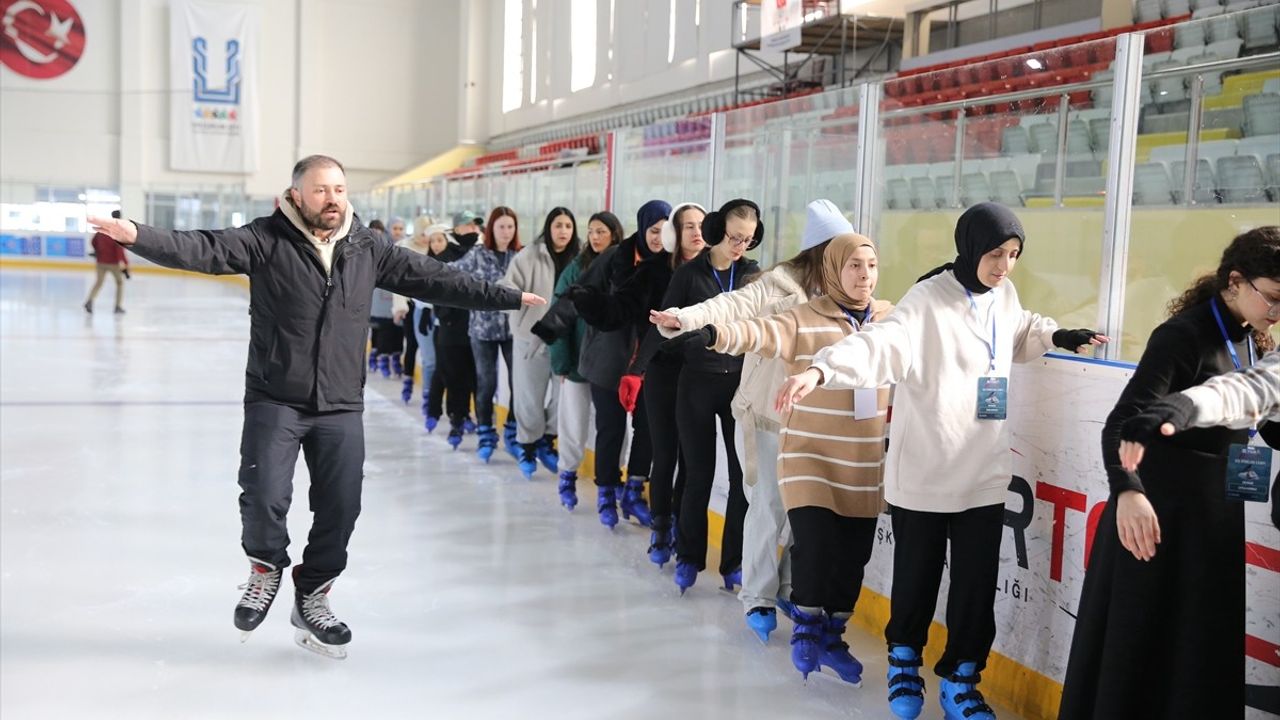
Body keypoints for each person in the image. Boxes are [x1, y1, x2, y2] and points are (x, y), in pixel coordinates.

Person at [86, 155, 544, 659]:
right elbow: (201, 248)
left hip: (341, 402)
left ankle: (313, 594)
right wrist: (135, 234)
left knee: (342, 506)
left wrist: (503, 298)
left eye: (340, 189)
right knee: (263, 493)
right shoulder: (265, 238)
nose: (332, 199)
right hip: (275, 394)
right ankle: (265, 569)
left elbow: (435, 278)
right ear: (297, 194)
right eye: (321, 190)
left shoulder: (368, 247)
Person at [775, 202, 1106, 720]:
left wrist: (1057, 336)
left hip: (984, 472)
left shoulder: (1004, 295)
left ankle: (960, 678)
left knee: (976, 589)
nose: (1003, 265)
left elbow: (1019, 330)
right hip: (924, 472)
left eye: (1014, 254)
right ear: (970, 246)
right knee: (916, 580)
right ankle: (904, 661)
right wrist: (820, 371)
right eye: (996, 253)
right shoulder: (925, 300)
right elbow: (879, 345)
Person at [1059, 226, 1280, 719]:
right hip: (1157, 517)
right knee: (1143, 649)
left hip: (1214, 517)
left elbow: (1255, 414)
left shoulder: (1253, 340)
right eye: (1272, 298)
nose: (1276, 312)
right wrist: (1128, 493)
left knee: (1197, 654)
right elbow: (1122, 422)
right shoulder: (1183, 336)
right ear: (1236, 281)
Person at [683, 232, 891, 684]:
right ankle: (800, 624)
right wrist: (714, 333)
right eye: (854, 265)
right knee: (806, 540)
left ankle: (832, 634)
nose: (864, 276)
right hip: (806, 450)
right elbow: (757, 329)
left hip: (863, 461)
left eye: (871, 266)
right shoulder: (800, 311)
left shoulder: (888, 320)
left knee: (852, 557)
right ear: (832, 265)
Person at [652, 198, 852, 643]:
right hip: (768, 409)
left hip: (819, 416)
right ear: (821, 249)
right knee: (767, 503)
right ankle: (758, 595)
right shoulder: (776, 283)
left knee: (810, 513)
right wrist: (683, 318)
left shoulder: (846, 288)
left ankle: (785, 586)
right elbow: (730, 305)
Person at [657, 199, 763, 595]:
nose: (739, 246)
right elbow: (668, 328)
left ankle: (733, 562)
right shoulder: (689, 274)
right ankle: (688, 557)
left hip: (740, 386)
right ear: (718, 230)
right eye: (735, 237)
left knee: (741, 479)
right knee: (698, 474)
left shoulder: (753, 275)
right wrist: (691, 341)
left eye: (748, 240)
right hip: (696, 385)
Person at [568, 200, 672, 530]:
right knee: (611, 429)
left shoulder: (670, 267)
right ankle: (606, 491)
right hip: (608, 359)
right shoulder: (615, 256)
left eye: (665, 232)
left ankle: (633, 491)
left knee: (648, 431)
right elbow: (579, 292)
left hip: (649, 364)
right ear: (642, 228)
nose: (658, 238)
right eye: (654, 231)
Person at [1119, 350, 1280, 530]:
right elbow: (1256, 387)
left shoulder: (1254, 344)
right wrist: (1191, 402)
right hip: (1180, 494)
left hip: (1209, 501)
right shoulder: (1179, 336)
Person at [531, 211, 623, 510]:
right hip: (579, 365)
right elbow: (561, 314)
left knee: (615, 427)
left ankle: (614, 480)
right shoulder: (576, 269)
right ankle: (567, 473)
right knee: (573, 423)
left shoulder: (624, 267)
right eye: (591, 231)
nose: (595, 237)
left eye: (601, 231)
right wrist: (562, 363)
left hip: (611, 364)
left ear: (614, 234)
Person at [501, 207, 581, 479]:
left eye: (568, 226)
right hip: (530, 337)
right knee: (528, 397)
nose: (563, 231)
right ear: (548, 228)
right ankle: (526, 445)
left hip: (565, 340)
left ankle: (548, 440)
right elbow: (508, 285)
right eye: (558, 225)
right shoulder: (529, 255)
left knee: (563, 399)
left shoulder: (580, 258)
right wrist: (517, 301)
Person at [455, 207, 521, 462]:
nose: (506, 232)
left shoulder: (520, 255)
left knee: (519, 384)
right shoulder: (478, 254)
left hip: (514, 329)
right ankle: (486, 433)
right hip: (483, 329)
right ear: (491, 229)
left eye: (510, 227)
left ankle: (513, 433)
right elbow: (453, 273)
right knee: (487, 383)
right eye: (501, 226)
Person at [426, 226, 480, 449]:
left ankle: (465, 417)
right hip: (448, 329)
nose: (437, 244)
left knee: (468, 376)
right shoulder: (432, 262)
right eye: (434, 240)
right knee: (449, 374)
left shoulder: (464, 255)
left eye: (441, 239)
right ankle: (454, 417)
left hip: (468, 327)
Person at [393, 219, 445, 418]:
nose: (427, 240)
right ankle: (409, 379)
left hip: (434, 310)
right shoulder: (405, 248)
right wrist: (400, 306)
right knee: (413, 346)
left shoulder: (439, 253)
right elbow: (397, 280)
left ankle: (430, 394)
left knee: (433, 356)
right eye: (424, 235)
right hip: (412, 307)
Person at [84, 209, 130, 314]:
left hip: (101, 261)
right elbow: (119, 249)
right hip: (113, 263)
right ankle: (117, 306)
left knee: (98, 282)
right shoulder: (118, 229)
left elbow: (93, 241)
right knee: (119, 283)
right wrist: (125, 264)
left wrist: (97, 251)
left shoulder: (104, 227)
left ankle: (89, 301)